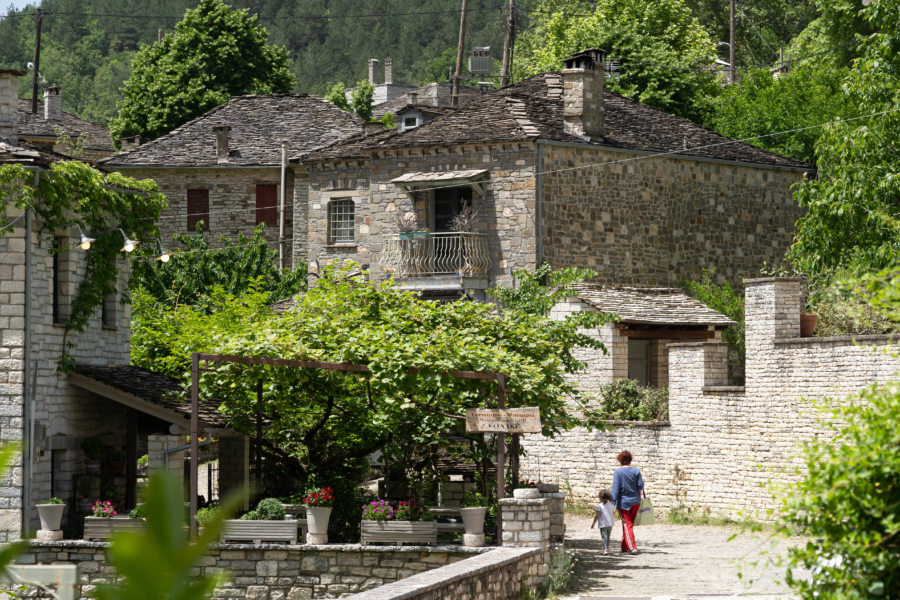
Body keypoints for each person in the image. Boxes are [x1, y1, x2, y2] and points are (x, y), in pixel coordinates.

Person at [611, 449, 644, 554]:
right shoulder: (636, 471)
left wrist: (612, 504)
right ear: (630, 459)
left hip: (623, 503)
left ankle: (632, 547)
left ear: (620, 460)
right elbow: (640, 485)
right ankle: (624, 547)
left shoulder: (618, 472)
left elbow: (615, 489)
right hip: (635, 501)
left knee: (627, 524)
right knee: (628, 524)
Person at [590, 489, 615, 555]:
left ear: (601, 498)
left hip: (603, 524)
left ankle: (605, 549)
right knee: (608, 536)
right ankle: (607, 548)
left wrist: (593, 523)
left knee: (604, 537)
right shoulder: (611, 504)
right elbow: (613, 512)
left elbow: (597, 515)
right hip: (610, 523)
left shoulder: (599, 506)